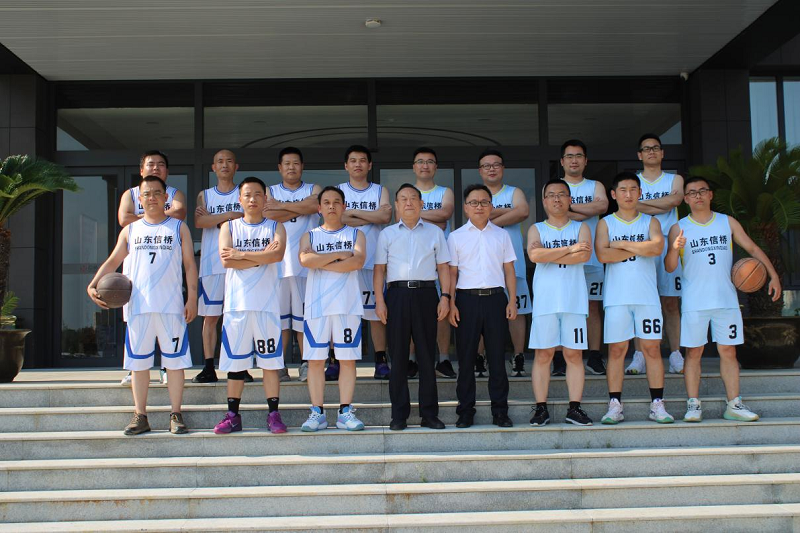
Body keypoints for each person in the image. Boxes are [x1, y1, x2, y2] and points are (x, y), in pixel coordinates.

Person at [665, 177, 781, 422]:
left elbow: (752, 248)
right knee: (693, 353)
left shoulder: (726, 222)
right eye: (692, 192)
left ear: (710, 195)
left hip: (726, 300)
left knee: (728, 351)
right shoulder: (679, 228)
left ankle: (734, 404)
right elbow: (669, 267)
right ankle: (693, 404)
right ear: (685, 199)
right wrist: (674, 248)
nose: (697, 195)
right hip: (695, 301)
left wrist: (773, 275)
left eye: (702, 191)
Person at [88, 176, 197, 435]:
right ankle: (140, 415)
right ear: (140, 198)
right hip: (138, 308)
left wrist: (192, 298)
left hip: (171, 307)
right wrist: (92, 284)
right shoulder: (131, 230)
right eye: (147, 194)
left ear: (165, 198)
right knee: (138, 365)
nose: (152, 198)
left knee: (175, 364)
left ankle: (176, 413)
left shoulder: (178, 228)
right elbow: (113, 260)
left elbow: (190, 265)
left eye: (157, 193)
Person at [595, 172, 673, 425]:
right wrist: (640, 247)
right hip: (617, 298)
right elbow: (603, 255)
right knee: (617, 350)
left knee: (652, 349)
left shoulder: (651, 222)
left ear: (640, 193)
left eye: (633, 189)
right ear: (613, 194)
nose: (628, 194)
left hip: (647, 297)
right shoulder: (606, 223)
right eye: (623, 189)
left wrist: (622, 244)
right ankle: (615, 405)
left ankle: (657, 404)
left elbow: (657, 248)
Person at [212, 177, 288, 435]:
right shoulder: (229, 227)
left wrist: (241, 255)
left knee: (270, 364)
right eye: (247, 194)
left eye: (258, 194)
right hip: (237, 306)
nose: (253, 199)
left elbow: (277, 255)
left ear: (265, 199)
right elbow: (227, 261)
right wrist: (261, 257)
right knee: (236, 365)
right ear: (240, 199)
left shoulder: (276, 226)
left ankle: (274, 415)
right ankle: (233, 415)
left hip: (267, 305)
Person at [374, 183, 451, 431]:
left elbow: (443, 268)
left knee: (427, 356)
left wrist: (445, 296)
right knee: (398, 357)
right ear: (396, 205)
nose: (408, 202)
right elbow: (379, 270)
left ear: (421, 204)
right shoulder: (387, 234)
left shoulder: (434, 232)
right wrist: (380, 300)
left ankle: (429, 414)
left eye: (413, 198)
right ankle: (399, 415)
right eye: (403, 199)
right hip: (396, 295)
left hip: (426, 294)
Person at [448, 184, 517, 428]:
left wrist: (512, 299)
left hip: (496, 299)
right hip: (466, 300)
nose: (479, 206)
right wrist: (451, 303)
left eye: (484, 202)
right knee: (466, 359)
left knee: (497, 359)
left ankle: (500, 411)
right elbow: (452, 274)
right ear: (466, 207)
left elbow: (509, 270)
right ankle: (465, 411)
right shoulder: (455, 237)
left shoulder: (502, 235)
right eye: (474, 202)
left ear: (491, 206)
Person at [298, 186, 367, 431]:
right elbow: (305, 260)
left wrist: (320, 261)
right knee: (316, 361)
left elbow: (357, 262)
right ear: (319, 208)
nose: (331, 206)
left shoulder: (356, 234)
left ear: (344, 206)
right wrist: (339, 255)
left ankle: (345, 412)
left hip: (347, 307)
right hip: (316, 307)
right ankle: (317, 412)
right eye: (326, 202)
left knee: (347, 360)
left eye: (336, 202)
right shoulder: (309, 236)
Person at [117, 150, 187, 386]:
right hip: (137, 266)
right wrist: (152, 218)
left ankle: (167, 367)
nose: (155, 168)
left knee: (167, 326)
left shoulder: (175, 193)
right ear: (141, 170)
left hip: (165, 272)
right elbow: (123, 218)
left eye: (160, 164)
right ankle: (136, 368)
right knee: (135, 319)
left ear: (167, 170)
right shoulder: (130, 193)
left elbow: (179, 212)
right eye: (150, 164)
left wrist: (150, 217)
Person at [527, 179, 593, 426]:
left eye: (562, 194)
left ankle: (574, 408)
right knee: (543, 354)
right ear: (544, 201)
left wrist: (550, 254)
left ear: (570, 200)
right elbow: (535, 255)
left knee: (573, 354)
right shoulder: (536, 229)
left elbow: (583, 255)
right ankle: (540, 408)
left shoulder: (581, 227)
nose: (557, 199)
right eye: (552, 195)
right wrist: (570, 249)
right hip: (545, 303)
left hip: (574, 302)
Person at [626, 134, 685, 375]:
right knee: (640, 302)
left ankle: (675, 354)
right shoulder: (633, 181)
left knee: (670, 302)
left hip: (670, 245)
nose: (651, 151)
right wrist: (663, 203)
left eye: (655, 148)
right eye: (646, 149)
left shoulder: (674, 179)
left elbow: (676, 200)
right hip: (641, 246)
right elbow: (630, 205)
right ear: (639, 155)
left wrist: (643, 205)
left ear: (662, 153)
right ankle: (639, 355)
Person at [264, 147, 321, 383]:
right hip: (278, 265)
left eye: (295, 163)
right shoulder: (270, 191)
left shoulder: (314, 189)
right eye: (287, 163)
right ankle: (279, 365)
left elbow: (314, 206)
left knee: (303, 320)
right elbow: (268, 214)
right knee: (280, 321)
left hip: (306, 265)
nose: (291, 167)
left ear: (302, 166)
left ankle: (307, 364)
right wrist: (300, 207)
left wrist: (281, 207)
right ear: (280, 167)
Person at [338, 145, 393, 380]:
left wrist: (352, 214)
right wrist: (370, 217)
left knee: (376, 313)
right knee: (343, 313)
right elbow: (335, 217)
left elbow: (385, 216)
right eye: (353, 160)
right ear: (346, 166)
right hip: (344, 262)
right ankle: (337, 360)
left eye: (362, 160)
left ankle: (380, 360)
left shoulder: (380, 190)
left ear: (369, 165)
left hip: (374, 262)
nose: (358, 164)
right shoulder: (338, 191)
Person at [478, 149, 531, 378]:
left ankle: (518, 356)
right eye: (486, 165)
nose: (491, 169)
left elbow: (523, 211)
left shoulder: (514, 191)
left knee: (517, 310)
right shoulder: (477, 192)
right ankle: (480, 357)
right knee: (480, 314)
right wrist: (508, 212)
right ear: (480, 170)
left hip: (513, 263)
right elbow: (475, 217)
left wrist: (490, 217)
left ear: (503, 168)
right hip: (484, 266)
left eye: (496, 164)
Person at [193, 149, 244, 384]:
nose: (225, 165)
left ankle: (239, 366)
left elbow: (249, 217)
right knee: (211, 317)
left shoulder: (244, 193)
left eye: (229, 161)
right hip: (212, 265)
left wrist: (215, 218)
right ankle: (209, 366)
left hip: (239, 264)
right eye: (220, 162)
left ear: (236, 166)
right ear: (213, 167)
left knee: (237, 316)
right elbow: (200, 221)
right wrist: (231, 215)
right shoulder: (205, 195)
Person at [561, 140, 608, 376]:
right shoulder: (555, 186)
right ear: (562, 161)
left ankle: (594, 356)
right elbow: (555, 211)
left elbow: (602, 206)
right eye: (569, 156)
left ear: (585, 161)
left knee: (592, 305)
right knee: (564, 306)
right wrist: (587, 209)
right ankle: (561, 358)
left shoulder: (595, 185)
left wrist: (569, 210)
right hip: (564, 256)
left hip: (592, 257)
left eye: (578, 156)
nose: (574, 160)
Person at [412, 147, 457, 379]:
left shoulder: (445, 192)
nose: (425, 165)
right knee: (412, 310)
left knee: (443, 307)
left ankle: (444, 359)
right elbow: (402, 218)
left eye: (430, 161)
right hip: (414, 259)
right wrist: (434, 219)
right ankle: (411, 360)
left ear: (436, 167)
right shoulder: (408, 192)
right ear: (414, 167)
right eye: (420, 161)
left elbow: (445, 214)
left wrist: (416, 216)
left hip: (441, 259)